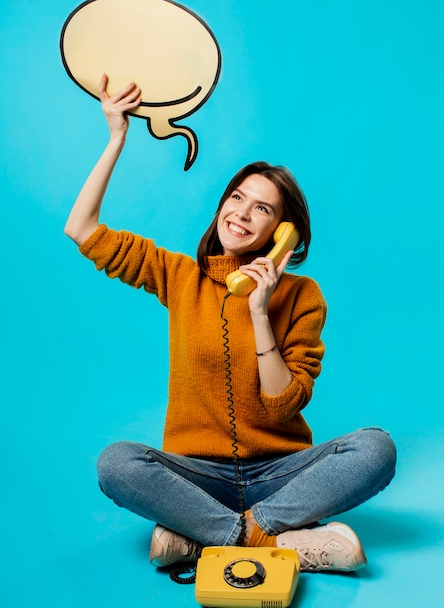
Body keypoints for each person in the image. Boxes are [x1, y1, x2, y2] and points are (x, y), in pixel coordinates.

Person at [65, 74, 396, 573]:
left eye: (262, 208)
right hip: (197, 474)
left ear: (283, 233)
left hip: (281, 474)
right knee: (116, 462)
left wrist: (260, 310)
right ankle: (271, 539)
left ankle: (203, 535)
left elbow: (283, 405)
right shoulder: (179, 276)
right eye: (236, 197)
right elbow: (82, 229)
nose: (241, 213)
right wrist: (116, 137)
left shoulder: (303, 296)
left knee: (376, 447)